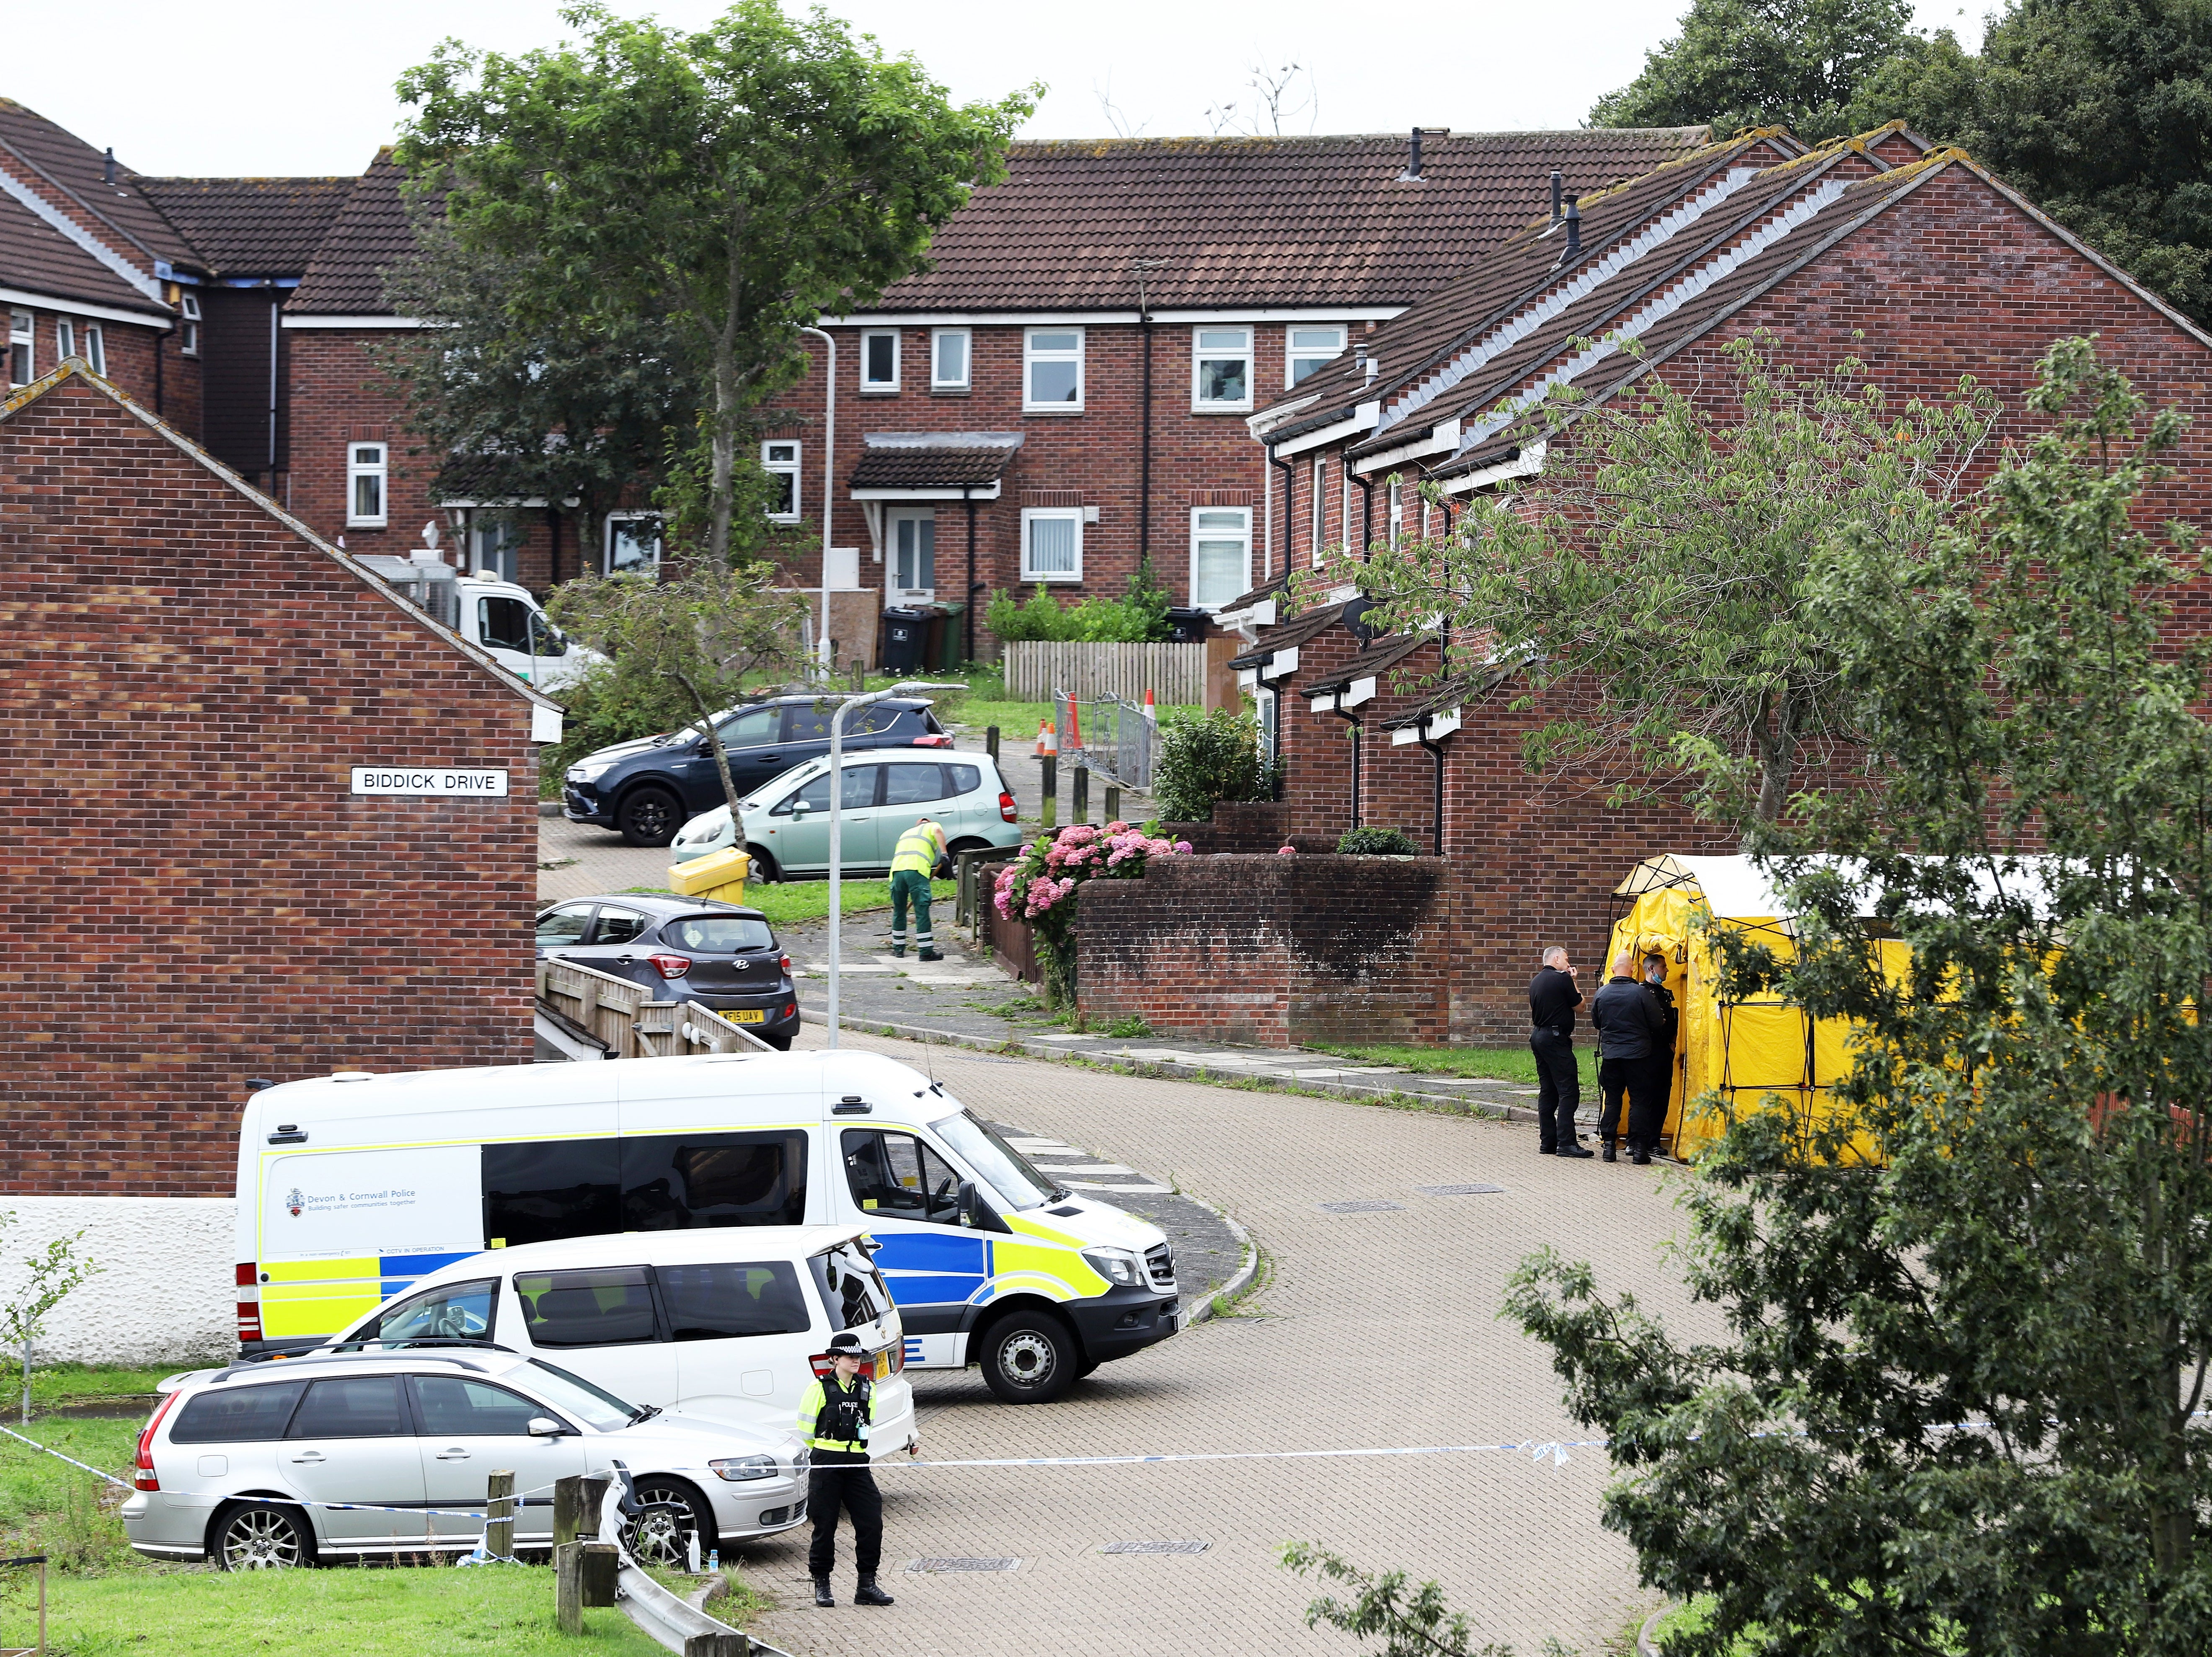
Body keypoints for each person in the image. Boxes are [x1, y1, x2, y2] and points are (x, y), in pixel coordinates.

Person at [798, 1331, 915, 1607]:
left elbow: (867, 1425)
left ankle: (867, 1585)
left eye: (858, 1356)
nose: (856, 1361)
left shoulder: (868, 1388)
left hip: (857, 1462)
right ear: (835, 1359)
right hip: (827, 1462)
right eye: (850, 1356)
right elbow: (806, 1430)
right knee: (825, 1525)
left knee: (871, 1522)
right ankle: (823, 1584)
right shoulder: (819, 1389)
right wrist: (828, 1448)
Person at [1590, 950, 1670, 1164]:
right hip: (1639, 1057)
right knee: (1640, 1102)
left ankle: (1609, 1147)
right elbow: (1657, 1023)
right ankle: (1640, 1151)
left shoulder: (1602, 993)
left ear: (1614, 969)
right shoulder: (1642, 993)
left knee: (1613, 1101)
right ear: (1633, 970)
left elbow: (1597, 1023)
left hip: (1611, 1057)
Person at [1528, 946, 1591, 1158]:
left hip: (1538, 1036)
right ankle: (1567, 1143)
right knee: (1568, 1091)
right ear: (1556, 959)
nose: (1568, 963)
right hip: (1556, 1039)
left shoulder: (1536, 981)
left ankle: (1548, 1142)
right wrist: (1574, 981)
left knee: (1548, 1090)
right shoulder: (1563, 978)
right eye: (1566, 958)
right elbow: (1580, 1007)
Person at [888, 816, 951, 961]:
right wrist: (945, 853)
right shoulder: (932, 826)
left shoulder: (906, 833)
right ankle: (926, 952)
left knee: (899, 910)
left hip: (897, 872)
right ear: (926, 822)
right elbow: (938, 831)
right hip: (916, 870)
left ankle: (898, 949)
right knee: (921, 910)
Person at [1636, 952, 1679, 1159]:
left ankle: (1653, 1140)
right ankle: (1640, 1141)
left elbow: (1672, 1020)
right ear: (1652, 969)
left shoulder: (1664, 993)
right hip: (1647, 1053)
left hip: (1663, 1052)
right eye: (1663, 966)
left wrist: (1672, 1044)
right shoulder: (1641, 993)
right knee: (1646, 1098)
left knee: (1662, 1097)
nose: (1667, 970)